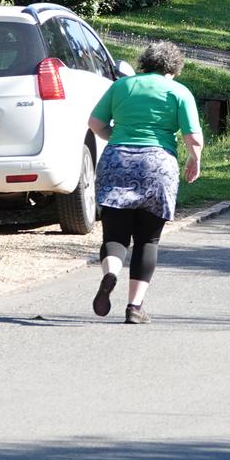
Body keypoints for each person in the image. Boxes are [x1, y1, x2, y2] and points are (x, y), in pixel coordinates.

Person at [88, 41, 202, 324]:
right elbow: (193, 137)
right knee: (147, 239)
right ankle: (134, 307)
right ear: (173, 68)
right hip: (157, 163)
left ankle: (110, 273)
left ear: (145, 63)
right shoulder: (179, 91)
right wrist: (194, 160)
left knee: (114, 234)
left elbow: (95, 123)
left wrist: (114, 135)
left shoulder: (121, 86)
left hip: (118, 160)